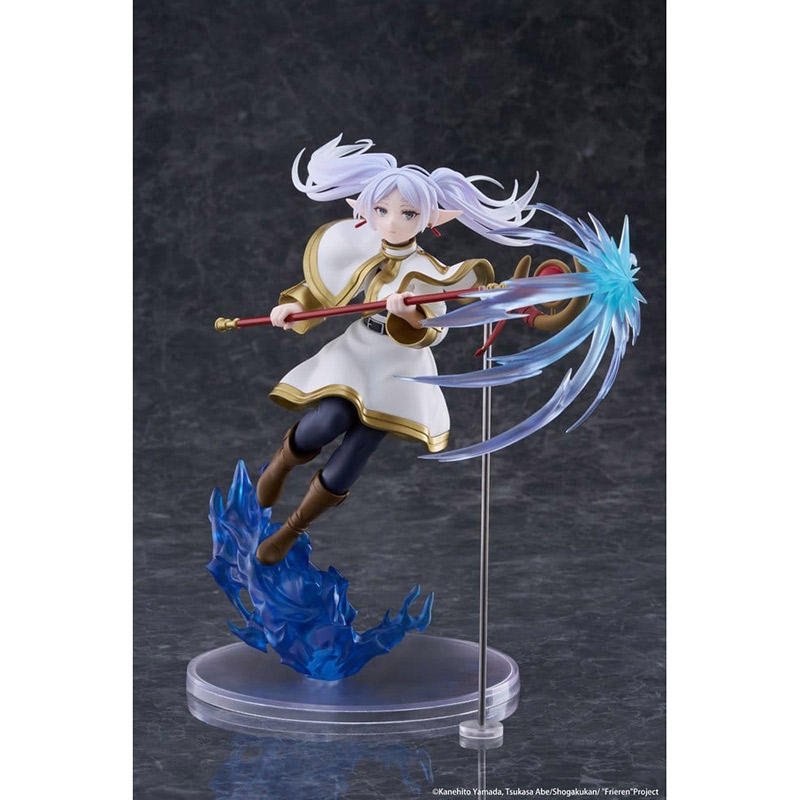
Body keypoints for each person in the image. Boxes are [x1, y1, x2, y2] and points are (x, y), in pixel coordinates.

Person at [255, 136, 540, 565]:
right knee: (330, 419)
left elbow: (435, 330)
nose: (392, 223)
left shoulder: (430, 271)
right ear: (365, 209)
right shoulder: (358, 245)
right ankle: (281, 463)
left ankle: (292, 529)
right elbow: (325, 288)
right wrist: (293, 308)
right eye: (382, 210)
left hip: (400, 365)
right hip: (358, 350)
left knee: (359, 446)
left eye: (407, 213)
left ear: (429, 219)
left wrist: (410, 315)